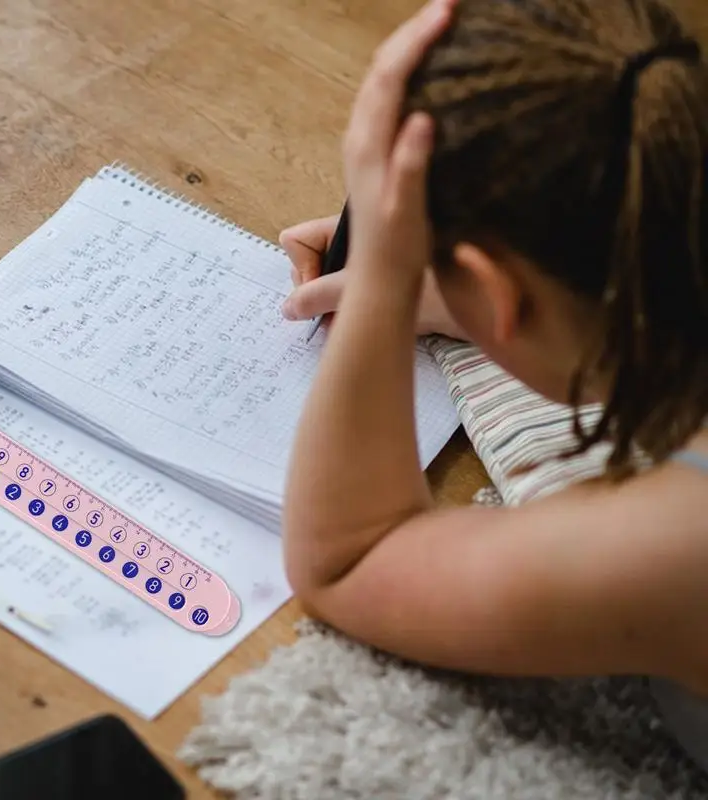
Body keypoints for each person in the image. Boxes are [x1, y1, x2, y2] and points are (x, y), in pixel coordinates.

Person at [278, 0, 708, 771]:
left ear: (498, 296)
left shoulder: (675, 542)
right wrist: (459, 279)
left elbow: (348, 559)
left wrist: (385, 274)